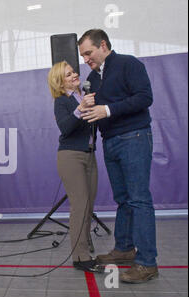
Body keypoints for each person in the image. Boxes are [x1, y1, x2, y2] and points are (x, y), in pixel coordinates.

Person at [77, 29, 158, 283]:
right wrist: (89, 107)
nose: (86, 59)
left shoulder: (128, 64)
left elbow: (145, 97)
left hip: (134, 138)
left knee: (139, 200)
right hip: (110, 142)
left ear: (103, 45)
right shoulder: (92, 77)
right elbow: (99, 112)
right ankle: (124, 249)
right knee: (123, 199)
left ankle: (147, 263)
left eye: (88, 53)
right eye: (83, 56)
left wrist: (107, 110)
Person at [47, 61, 103, 273]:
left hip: (89, 155)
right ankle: (80, 256)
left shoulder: (86, 96)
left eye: (73, 71)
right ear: (61, 83)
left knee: (88, 206)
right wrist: (80, 109)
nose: (74, 75)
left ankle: (84, 246)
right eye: (68, 74)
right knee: (80, 204)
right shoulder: (61, 101)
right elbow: (66, 127)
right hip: (70, 156)